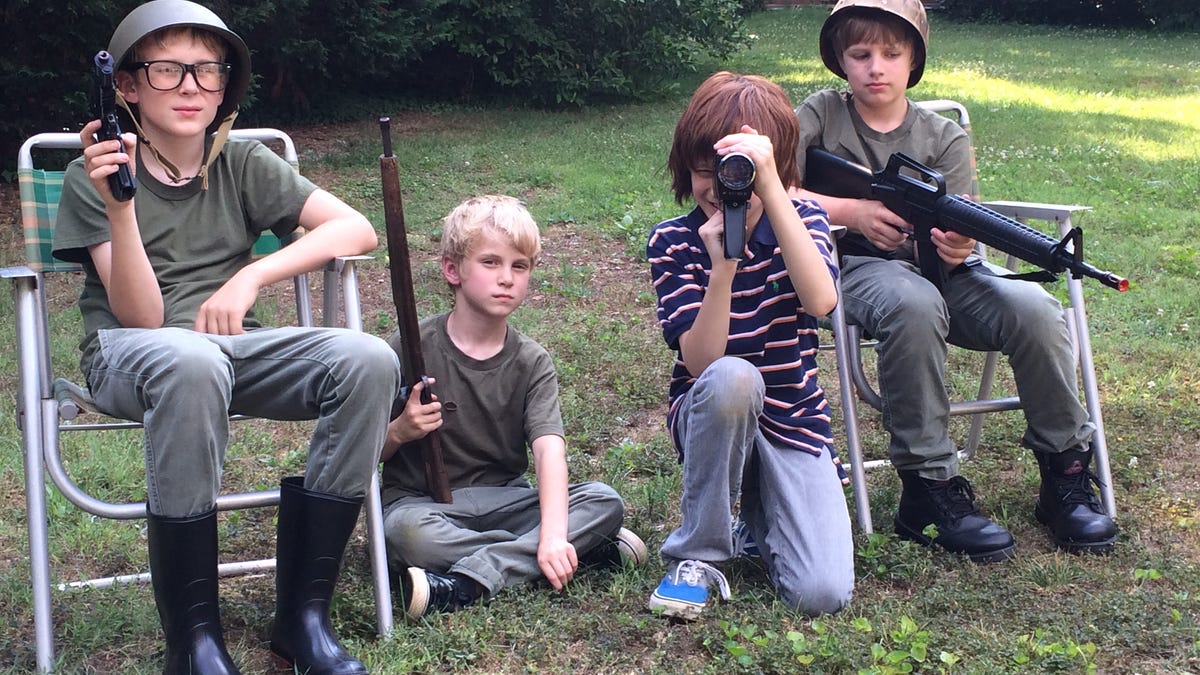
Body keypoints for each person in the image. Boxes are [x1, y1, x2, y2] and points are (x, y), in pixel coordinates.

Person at [51, 1, 402, 673]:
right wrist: (122, 208)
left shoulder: (242, 163)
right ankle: (194, 643)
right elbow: (144, 320)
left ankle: (302, 619)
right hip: (132, 355)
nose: (190, 87)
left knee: (366, 358)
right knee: (188, 358)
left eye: (207, 71)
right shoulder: (88, 177)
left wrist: (249, 278)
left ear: (225, 86)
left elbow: (355, 229)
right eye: (167, 70)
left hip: (228, 351)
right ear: (126, 87)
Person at [793, 0, 1117, 561]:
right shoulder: (820, 116)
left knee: (1038, 310)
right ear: (839, 61)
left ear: (914, 60)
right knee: (913, 305)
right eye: (861, 54)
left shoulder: (943, 137)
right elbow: (773, 188)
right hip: (856, 267)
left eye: (892, 54)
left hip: (949, 273)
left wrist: (961, 244)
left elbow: (960, 234)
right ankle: (929, 491)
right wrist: (852, 212)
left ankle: (1065, 478)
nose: (876, 67)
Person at [645, 71, 854, 621]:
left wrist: (774, 194)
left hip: (794, 417)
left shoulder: (803, 220)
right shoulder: (673, 240)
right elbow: (701, 363)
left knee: (822, 593)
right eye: (703, 170)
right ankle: (698, 555)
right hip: (714, 410)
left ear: (774, 169)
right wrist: (724, 267)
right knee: (735, 376)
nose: (721, 185)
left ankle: (759, 517)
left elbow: (821, 303)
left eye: (739, 170)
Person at [380, 195, 646, 618]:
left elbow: (548, 449)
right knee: (405, 535)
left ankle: (469, 580)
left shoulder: (531, 360)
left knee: (604, 500)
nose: (506, 278)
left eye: (519, 266)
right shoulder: (410, 346)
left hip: (506, 500)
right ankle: (573, 555)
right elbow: (364, 449)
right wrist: (400, 430)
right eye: (490, 263)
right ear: (453, 270)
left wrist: (555, 532)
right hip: (423, 504)